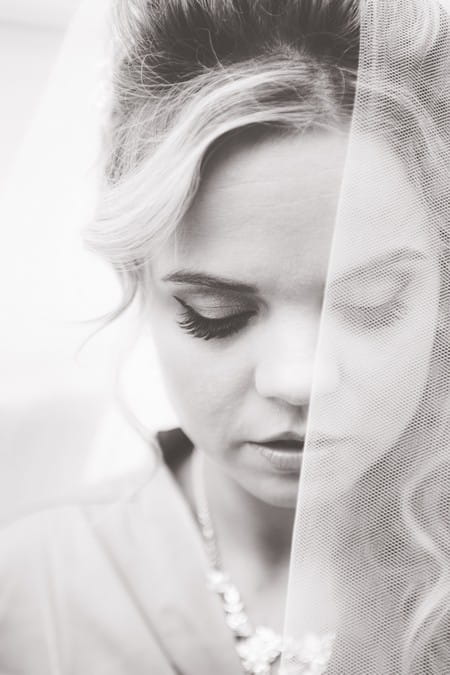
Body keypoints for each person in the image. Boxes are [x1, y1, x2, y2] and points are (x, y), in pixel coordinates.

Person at [1, 0, 449, 674]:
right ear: (142, 284)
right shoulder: (29, 584)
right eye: (215, 312)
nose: (298, 378)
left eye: (370, 302)